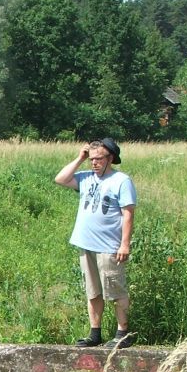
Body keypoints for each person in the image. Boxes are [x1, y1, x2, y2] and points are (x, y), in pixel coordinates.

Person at [54, 138, 136, 349]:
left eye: (98, 159)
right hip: (86, 244)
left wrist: (124, 244)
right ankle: (95, 333)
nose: (94, 163)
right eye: (91, 159)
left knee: (115, 291)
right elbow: (60, 179)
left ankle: (123, 333)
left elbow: (128, 214)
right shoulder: (86, 178)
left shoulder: (121, 181)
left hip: (109, 246)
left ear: (110, 158)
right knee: (93, 291)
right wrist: (80, 158)